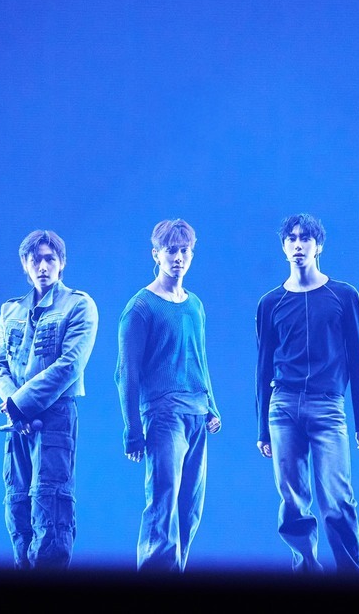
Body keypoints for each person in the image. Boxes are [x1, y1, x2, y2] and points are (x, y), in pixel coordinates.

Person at [255, 212, 359, 575]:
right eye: (291, 239)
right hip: (283, 408)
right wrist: (262, 427)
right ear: (283, 247)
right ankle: (306, 571)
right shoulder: (270, 303)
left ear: (318, 245)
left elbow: (358, 357)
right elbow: (262, 366)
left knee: (337, 501)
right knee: (292, 502)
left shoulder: (343, 295)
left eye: (305, 238)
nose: (298, 245)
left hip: (328, 406)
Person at [115, 218, 223, 572]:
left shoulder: (195, 305)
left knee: (190, 509)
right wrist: (133, 431)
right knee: (163, 502)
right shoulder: (140, 308)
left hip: (196, 413)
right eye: (171, 250)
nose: (178, 257)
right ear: (156, 254)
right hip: (163, 416)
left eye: (184, 251)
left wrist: (211, 406)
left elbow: (199, 358)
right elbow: (126, 373)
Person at [0, 229, 99, 570]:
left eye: (50, 259)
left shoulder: (79, 305)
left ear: (61, 263)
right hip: (17, 423)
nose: (42, 266)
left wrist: (19, 404)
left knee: (50, 506)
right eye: (35, 259)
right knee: (17, 505)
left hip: (55, 418)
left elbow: (70, 365)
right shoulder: (10, 310)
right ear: (24, 264)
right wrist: (14, 406)